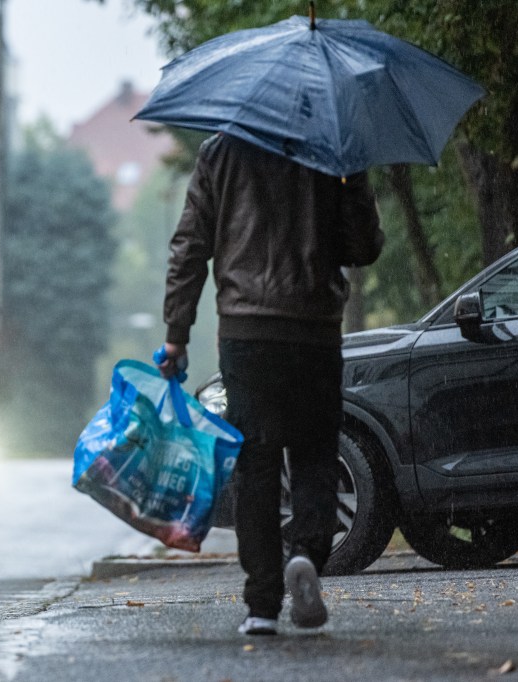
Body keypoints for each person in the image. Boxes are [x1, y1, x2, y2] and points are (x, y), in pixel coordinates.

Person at [156, 133, 383, 636]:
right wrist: (354, 179)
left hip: (247, 332)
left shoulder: (221, 151)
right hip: (314, 330)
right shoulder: (331, 148)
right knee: (315, 455)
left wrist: (176, 335)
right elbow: (363, 248)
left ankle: (261, 604)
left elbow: (190, 246)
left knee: (256, 461)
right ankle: (306, 555)